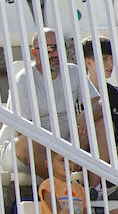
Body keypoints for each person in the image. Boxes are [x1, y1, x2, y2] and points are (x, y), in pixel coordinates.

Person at [11, 28, 108, 179]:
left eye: (59, 47)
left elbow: (100, 103)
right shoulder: (23, 80)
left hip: (70, 141)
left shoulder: (73, 71)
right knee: (25, 143)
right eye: (50, 49)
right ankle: (61, 187)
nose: (55, 53)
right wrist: (56, 151)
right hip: (41, 143)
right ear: (34, 53)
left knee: (101, 123)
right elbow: (22, 130)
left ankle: (94, 189)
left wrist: (85, 114)